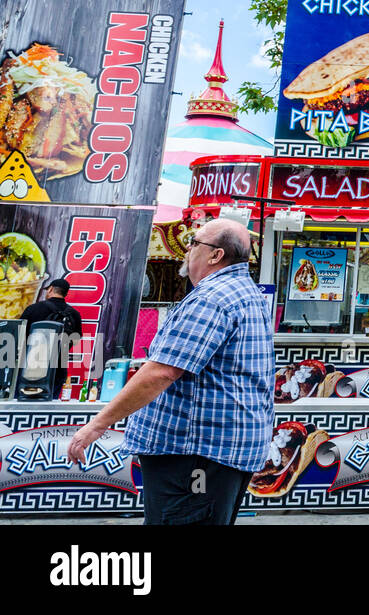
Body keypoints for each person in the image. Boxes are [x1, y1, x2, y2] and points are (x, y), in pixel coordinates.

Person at [67, 219, 274, 525]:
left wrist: (96, 425)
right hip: (218, 455)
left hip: (194, 455)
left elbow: (162, 373)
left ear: (215, 255)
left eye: (194, 243)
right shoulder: (246, 293)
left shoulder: (211, 298)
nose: (187, 250)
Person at [20, 278, 82, 392]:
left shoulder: (33, 309)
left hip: (31, 367)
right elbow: (76, 339)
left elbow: (19, 335)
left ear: (51, 289)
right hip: (59, 368)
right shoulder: (74, 314)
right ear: (65, 293)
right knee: (50, 404)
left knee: (26, 403)